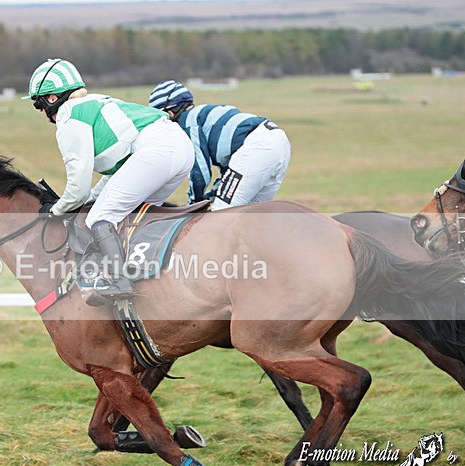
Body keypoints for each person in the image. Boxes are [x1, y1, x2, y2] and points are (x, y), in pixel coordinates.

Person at [27, 59, 193, 305]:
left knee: (99, 218)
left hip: (157, 150)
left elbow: (77, 189)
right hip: (181, 148)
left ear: (52, 99)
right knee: (133, 215)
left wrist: (56, 210)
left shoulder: (69, 116)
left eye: (37, 103)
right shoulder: (96, 101)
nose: (40, 111)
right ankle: (149, 276)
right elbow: (119, 171)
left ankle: (120, 281)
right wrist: (94, 197)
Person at [148, 80, 291, 210]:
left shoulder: (188, 123)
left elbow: (199, 173)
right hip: (279, 142)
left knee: (219, 215)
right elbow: (230, 174)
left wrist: (192, 206)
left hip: (258, 147)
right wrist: (212, 194)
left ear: (170, 113)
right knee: (251, 218)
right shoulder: (206, 113)